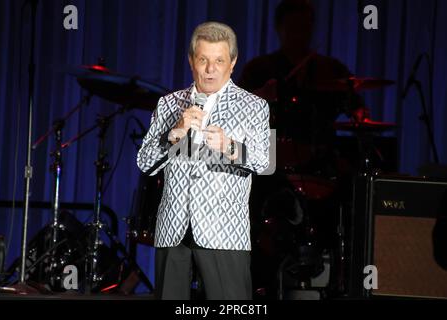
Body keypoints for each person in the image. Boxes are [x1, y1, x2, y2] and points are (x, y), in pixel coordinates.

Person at [238, 0, 369, 299]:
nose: (301, 33)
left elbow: (358, 111)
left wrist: (362, 123)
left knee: (353, 193)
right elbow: (237, 112)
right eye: (294, 26)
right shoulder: (261, 69)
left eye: (307, 27)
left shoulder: (330, 69)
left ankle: (341, 277)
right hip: (269, 164)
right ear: (279, 28)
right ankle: (258, 281)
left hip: (318, 163)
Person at [137, 22, 270, 300]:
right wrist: (173, 136)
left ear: (232, 63)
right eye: (203, 60)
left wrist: (230, 147)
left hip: (224, 232)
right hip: (173, 229)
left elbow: (265, 161)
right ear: (191, 61)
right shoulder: (169, 104)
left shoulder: (254, 105)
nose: (210, 69)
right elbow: (144, 162)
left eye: (219, 60)